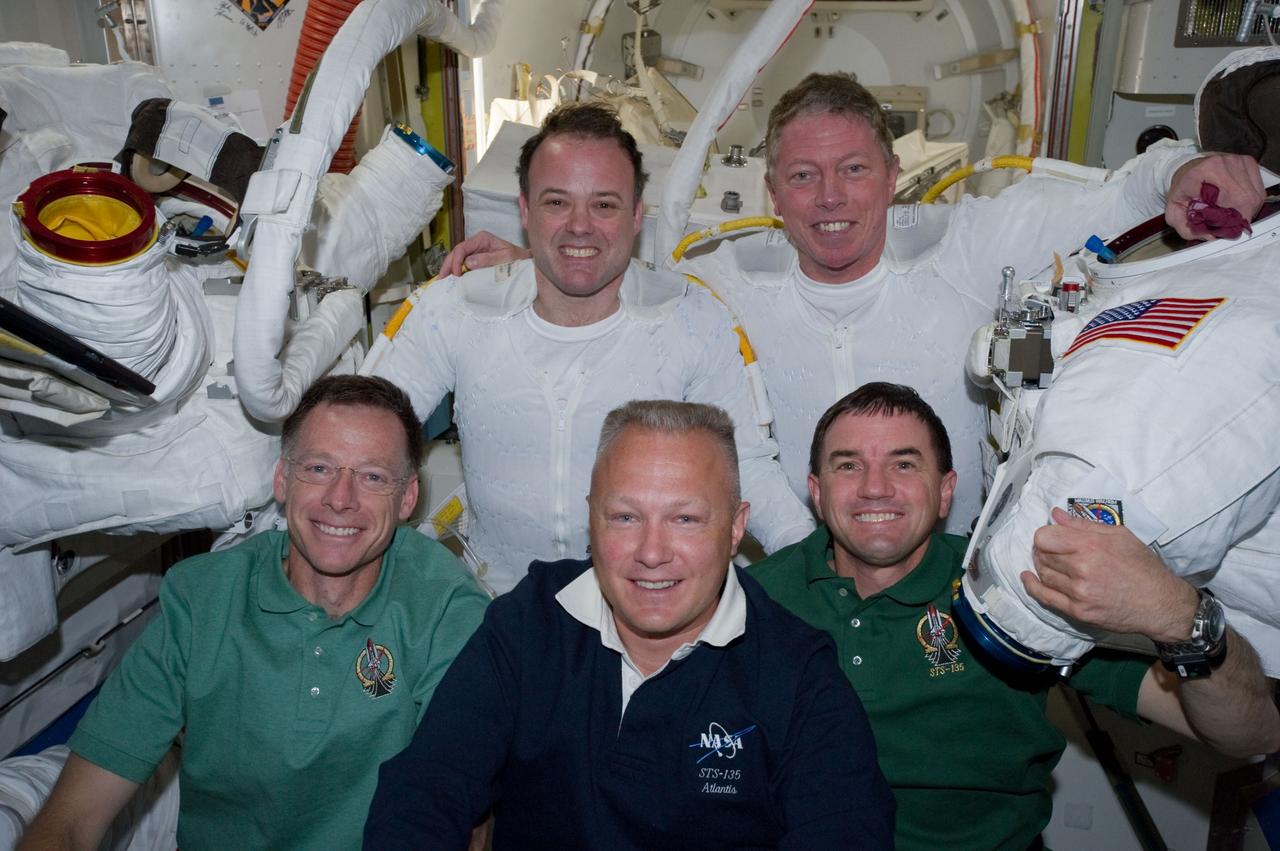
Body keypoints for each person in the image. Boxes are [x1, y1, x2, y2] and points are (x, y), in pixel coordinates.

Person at [440, 73, 1264, 536]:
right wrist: (545, 262)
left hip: (948, 578)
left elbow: (1104, 202)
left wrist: (1177, 175)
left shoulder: (963, 248)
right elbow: (624, 279)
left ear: (893, 174)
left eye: (854, 171)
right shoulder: (727, 285)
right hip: (799, 584)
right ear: (771, 190)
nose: (828, 198)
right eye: (802, 176)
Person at [747, 382, 1280, 851]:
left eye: (904, 464)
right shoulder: (752, 602)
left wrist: (1181, 616)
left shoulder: (1019, 584)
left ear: (945, 492)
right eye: (848, 465)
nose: (875, 487)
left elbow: (1252, 735)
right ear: (817, 492)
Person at [363, 400, 895, 850]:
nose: (652, 552)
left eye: (685, 519)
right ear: (590, 519)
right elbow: (423, 794)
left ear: (735, 529)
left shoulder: (798, 676)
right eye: (625, 517)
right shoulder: (530, 624)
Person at [19, 375, 490, 851]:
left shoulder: (444, 608)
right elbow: (73, 818)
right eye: (320, 468)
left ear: (407, 497)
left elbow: (465, 818)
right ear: (282, 480)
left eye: (372, 476)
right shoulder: (200, 601)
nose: (341, 499)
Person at [362, 102, 812, 595]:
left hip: (642, 614)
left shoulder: (692, 319)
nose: (580, 225)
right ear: (525, 210)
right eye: (557, 202)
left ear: (637, 215)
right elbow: (362, 437)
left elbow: (744, 464)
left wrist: (813, 568)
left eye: (604, 204)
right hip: (493, 615)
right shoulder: (455, 311)